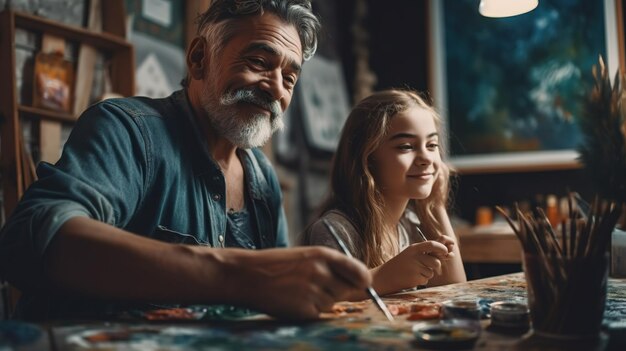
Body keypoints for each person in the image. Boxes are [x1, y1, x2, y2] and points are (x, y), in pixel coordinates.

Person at [0, 0, 370, 321]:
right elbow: (31, 242)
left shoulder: (263, 179)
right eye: (259, 61)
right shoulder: (129, 131)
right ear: (199, 58)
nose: (275, 88)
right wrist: (238, 276)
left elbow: (277, 299)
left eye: (289, 79)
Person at [301, 89, 466, 298]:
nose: (426, 158)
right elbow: (325, 297)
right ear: (367, 159)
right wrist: (387, 276)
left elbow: (457, 292)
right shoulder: (335, 229)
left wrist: (436, 205)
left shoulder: (410, 225)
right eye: (406, 146)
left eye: (432, 145)